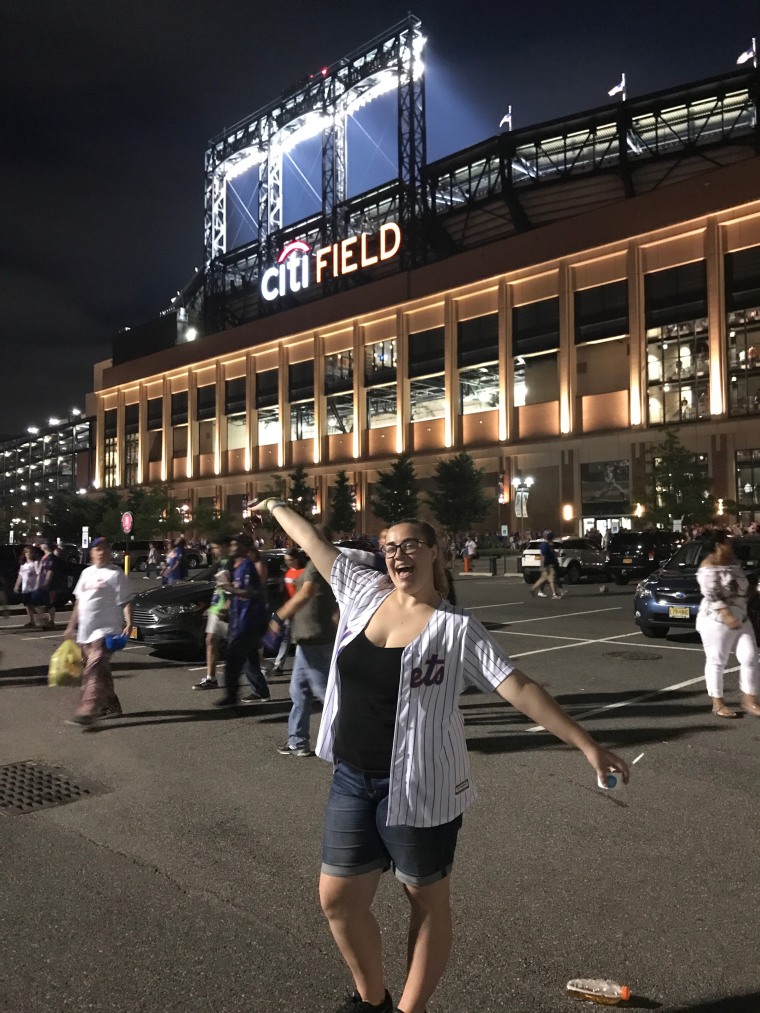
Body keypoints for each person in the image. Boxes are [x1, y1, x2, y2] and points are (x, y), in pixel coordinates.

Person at [251, 497, 629, 1013]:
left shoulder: (454, 629)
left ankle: (412, 1008)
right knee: (337, 899)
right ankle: (373, 1000)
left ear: (434, 554)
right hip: (352, 777)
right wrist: (275, 505)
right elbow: (312, 541)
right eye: (388, 547)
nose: (397, 554)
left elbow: (516, 685)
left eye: (410, 544)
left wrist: (587, 744)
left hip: (421, 785)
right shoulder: (363, 592)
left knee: (425, 901)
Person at [270, 539, 338, 758]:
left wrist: (279, 616)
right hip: (306, 638)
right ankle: (297, 741)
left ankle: (343, 745)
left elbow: (306, 592)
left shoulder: (318, 563)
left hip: (316, 637)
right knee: (299, 692)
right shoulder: (318, 562)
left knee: (325, 694)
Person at [63, 536, 133, 727]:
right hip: (86, 632)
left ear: (109, 552)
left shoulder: (115, 574)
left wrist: (129, 622)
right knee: (99, 671)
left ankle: (87, 711)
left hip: (106, 631)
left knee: (93, 670)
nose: (101, 552)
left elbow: (125, 600)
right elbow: (79, 602)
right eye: (97, 549)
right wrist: (71, 625)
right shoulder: (86, 573)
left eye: (104, 549)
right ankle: (111, 705)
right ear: (91, 553)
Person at [695, 529, 760, 719]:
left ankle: (750, 700)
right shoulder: (707, 568)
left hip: (741, 617)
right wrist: (726, 614)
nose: (731, 546)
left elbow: (743, 588)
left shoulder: (733, 563)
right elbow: (712, 595)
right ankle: (718, 703)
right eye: (728, 543)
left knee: (750, 657)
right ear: (718, 546)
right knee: (717, 660)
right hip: (716, 620)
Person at [212, 535, 270, 706]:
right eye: (231, 544)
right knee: (251, 661)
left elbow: (252, 593)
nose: (231, 547)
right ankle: (260, 691)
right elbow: (240, 593)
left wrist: (230, 589)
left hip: (247, 623)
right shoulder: (237, 567)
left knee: (232, 663)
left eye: (235, 545)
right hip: (240, 620)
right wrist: (228, 608)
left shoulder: (247, 566)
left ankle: (231, 697)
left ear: (244, 548)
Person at [193, 538, 232, 691]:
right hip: (216, 608)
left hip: (228, 610)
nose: (214, 551)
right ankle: (211, 678)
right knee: (210, 640)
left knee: (241, 645)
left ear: (225, 547)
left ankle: (261, 665)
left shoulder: (232, 563)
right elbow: (207, 580)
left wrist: (228, 605)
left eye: (216, 547)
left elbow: (235, 587)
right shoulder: (220, 563)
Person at [268, 547, 305, 678]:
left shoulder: (303, 572)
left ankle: (302, 666)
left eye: (289, 560)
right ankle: (279, 665)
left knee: (300, 639)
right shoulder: (288, 572)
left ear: (296, 559)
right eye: (286, 560)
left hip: (301, 610)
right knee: (286, 638)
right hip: (289, 608)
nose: (287, 562)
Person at [530, 531, 563, 599]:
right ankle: (554, 594)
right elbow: (543, 556)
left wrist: (558, 552)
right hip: (548, 565)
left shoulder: (548, 545)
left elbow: (552, 554)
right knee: (552, 579)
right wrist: (542, 565)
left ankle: (533, 589)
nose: (552, 538)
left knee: (543, 579)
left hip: (549, 564)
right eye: (551, 537)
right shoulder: (545, 545)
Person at [14, 545, 40, 628]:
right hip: (25, 588)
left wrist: (37, 585)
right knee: (28, 605)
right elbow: (20, 576)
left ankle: (43, 617)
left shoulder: (35, 563)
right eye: (26, 552)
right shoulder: (23, 565)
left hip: (33, 588)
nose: (28, 554)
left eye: (30, 552)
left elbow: (38, 574)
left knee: (34, 605)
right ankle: (32, 621)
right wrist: (17, 586)